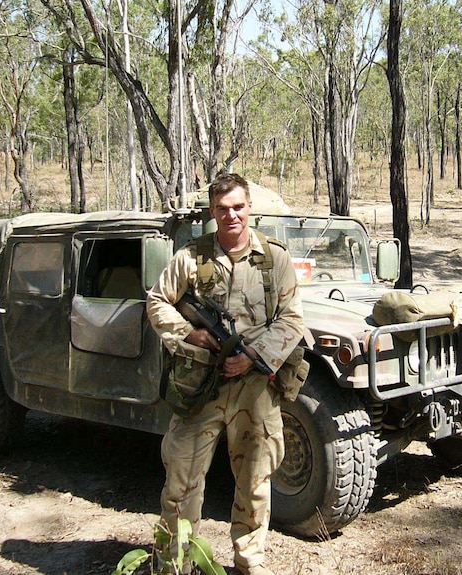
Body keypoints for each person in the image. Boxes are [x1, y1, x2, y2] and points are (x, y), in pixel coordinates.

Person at [146, 173, 305, 575]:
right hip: (201, 387)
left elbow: (292, 319)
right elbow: (157, 301)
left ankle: (249, 562)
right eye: (222, 209)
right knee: (181, 479)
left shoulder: (275, 259)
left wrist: (253, 357)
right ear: (213, 212)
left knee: (255, 482)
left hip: (254, 388)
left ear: (249, 207)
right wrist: (191, 334)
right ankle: (175, 562)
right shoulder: (191, 258)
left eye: (237, 207)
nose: (230, 215)